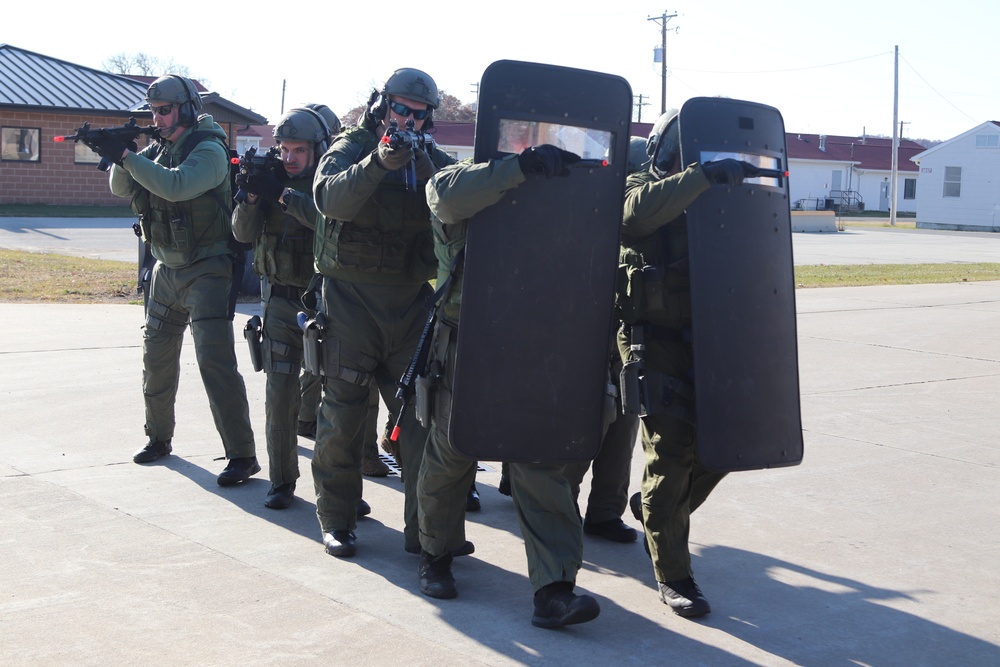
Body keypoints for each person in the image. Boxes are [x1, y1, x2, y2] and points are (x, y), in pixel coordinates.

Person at [415, 145, 601, 629]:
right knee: (452, 453)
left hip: (535, 347)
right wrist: (520, 167)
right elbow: (445, 198)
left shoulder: (557, 194)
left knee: (539, 461)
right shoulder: (461, 179)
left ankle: (554, 588)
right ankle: (435, 554)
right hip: (466, 343)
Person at [310, 68, 455, 557]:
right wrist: (379, 161)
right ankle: (337, 518)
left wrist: (426, 163)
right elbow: (330, 199)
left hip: (412, 303)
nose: (408, 120)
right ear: (380, 107)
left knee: (421, 422)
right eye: (399, 108)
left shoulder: (430, 157)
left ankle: (427, 534)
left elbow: (460, 198)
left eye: (418, 114)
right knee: (342, 417)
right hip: (350, 302)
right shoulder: (352, 148)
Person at [619, 111, 751, 617]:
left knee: (725, 447)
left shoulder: (720, 190)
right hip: (654, 338)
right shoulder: (638, 184)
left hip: (716, 338)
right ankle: (675, 575)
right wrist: (700, 177)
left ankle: (655, 510)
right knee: (670, 452)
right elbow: (633, 217)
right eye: (679, 153)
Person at [102, 75, 258, 484]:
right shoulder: (159, 148)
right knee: (156, 358)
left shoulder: (208, 149)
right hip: (165, 269)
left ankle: (242, 454)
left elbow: (176, 186)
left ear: (186, 108)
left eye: (165, 110)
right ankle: (158, 438)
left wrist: (128, 157)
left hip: (207, 268)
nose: (157, 117)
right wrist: (122, 155)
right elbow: (122, 187)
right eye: (153, 110)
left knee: (214, 362)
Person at [232, 105, 343, 508]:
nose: (290, 158)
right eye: (284, 149)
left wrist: (282, 194)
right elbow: (242, 235)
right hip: (279, 301)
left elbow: (329, 223)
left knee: (337, 404)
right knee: (279, 395)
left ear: (317, 150)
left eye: (299, 150)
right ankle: (282, 480)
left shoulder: (330, 185)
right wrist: (248, 195)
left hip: (325, 303)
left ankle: (337, 490)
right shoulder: (270, 178)